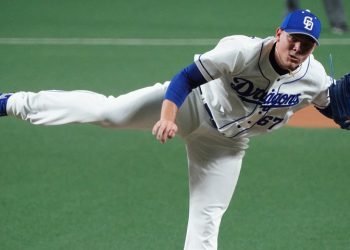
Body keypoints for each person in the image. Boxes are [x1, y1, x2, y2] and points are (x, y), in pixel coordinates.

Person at [1, 9, 349, 250]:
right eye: (294, 39)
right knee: (111, 112)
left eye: (307, 44)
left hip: (227, 144)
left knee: (207, 217)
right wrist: (168, 116)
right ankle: (13, 103)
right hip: (192, 105)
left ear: (315, 47)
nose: (298, 48)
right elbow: (186, 77)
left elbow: (333, 107)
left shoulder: (313, 78)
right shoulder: (241, 51)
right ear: (279, 34)